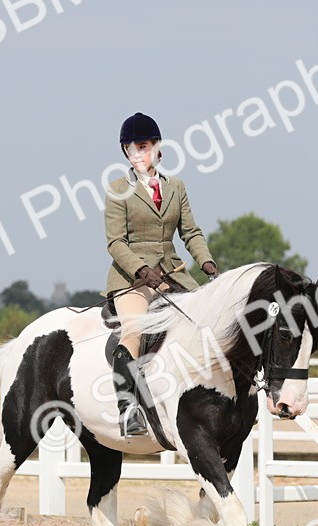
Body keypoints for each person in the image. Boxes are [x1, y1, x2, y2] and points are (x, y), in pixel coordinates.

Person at [104, 112, 219, 437]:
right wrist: (141, 269)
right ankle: (129, 409)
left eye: (146, 146)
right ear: (126, 152)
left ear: (158, 149)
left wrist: (206, 261)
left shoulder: (176, 187)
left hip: (173, 272)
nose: (140, 153)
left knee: (205, 322)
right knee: (133, 332)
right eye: (134, 148)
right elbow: (115, 242)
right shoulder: (117, 190)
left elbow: (191, 232)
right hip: (132, 279)